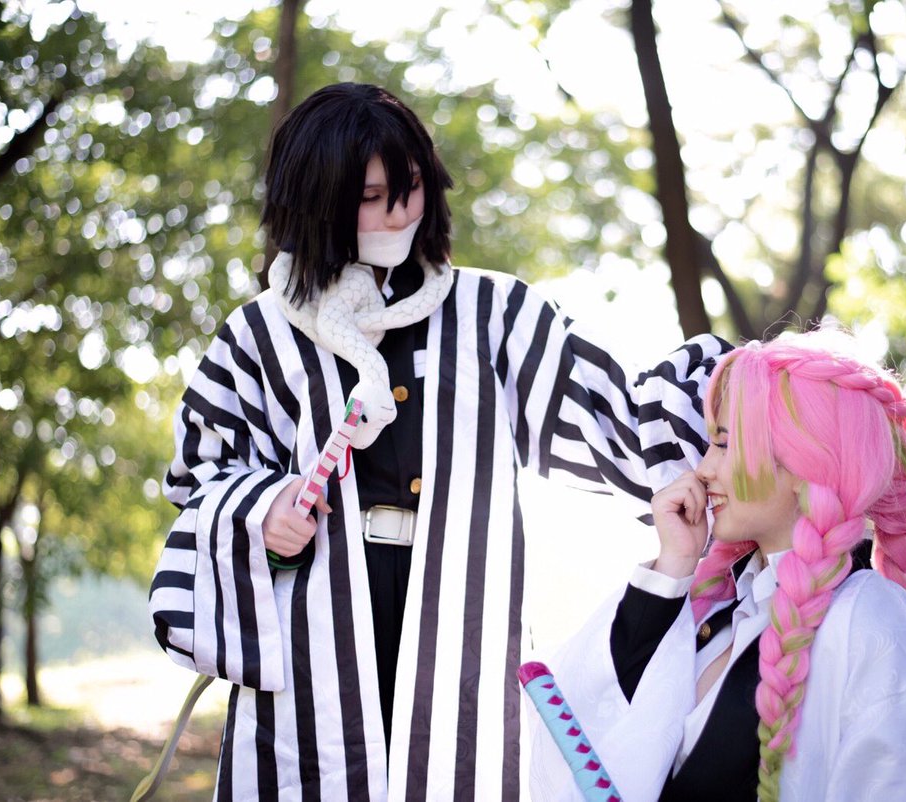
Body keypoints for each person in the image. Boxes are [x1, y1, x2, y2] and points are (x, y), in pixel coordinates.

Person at [146, 82, 728, 801]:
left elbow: (613, 417)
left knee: (457, 763)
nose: (398, 212)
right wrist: (261, 508)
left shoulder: (496, 313)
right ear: (316, 200)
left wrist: (743, 404)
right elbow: (200, 476)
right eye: (370, 196)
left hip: (462, 610)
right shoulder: (259, 334)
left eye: (412, 186)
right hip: (310, 627)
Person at [528, 332, 906, 801]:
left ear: (803, 464)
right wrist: (674, 565)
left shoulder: (868, 616)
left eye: (723, 444)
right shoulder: (725, 607)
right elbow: (605, 721)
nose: (702, 469)